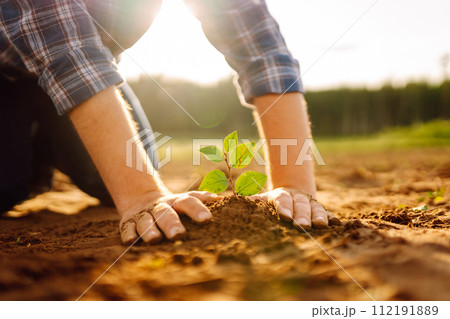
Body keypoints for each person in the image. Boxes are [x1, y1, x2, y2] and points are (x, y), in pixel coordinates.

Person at [0, 0, 339, 244]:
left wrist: (294, 184)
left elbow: (261, 49)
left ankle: (39, 149)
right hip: (7, 79)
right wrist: (141, 197)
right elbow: (67, 53)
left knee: (124, 171)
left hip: (87, 76)